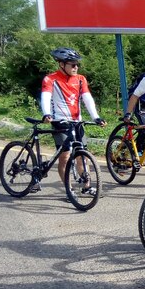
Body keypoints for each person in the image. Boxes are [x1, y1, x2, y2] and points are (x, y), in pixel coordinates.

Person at [40, 47, 105, 195]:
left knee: (82, 154)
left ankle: (87, 186)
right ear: (62, 64)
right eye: (72, 64)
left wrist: (96, 117)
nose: (76, 67)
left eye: (77, 65)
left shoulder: (81, 79)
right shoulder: (51, 79)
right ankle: (69, 189)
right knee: (65, 155)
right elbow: (46, 97)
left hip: (77, 121)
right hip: (59, 121)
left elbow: (87, 99)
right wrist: (46, 114)